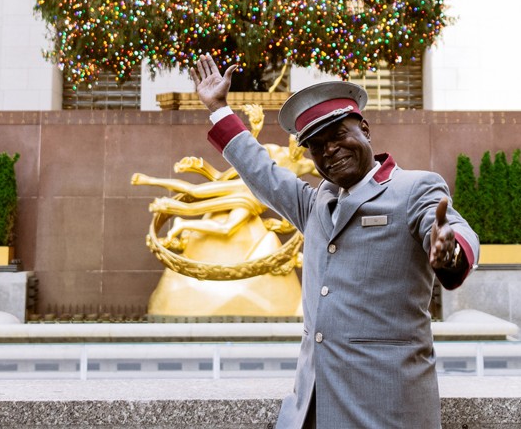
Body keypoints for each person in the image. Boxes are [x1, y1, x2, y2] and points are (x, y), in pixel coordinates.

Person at [190, 53, 479, 429]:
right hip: (312, 408)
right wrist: (217, 108)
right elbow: (262, 172)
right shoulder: (316, 204)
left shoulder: (413, 188)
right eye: (316, 145)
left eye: (339, 135)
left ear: (365, 130)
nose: (329, 150)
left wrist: (449, 251)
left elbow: (450, 230)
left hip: (389, 409)